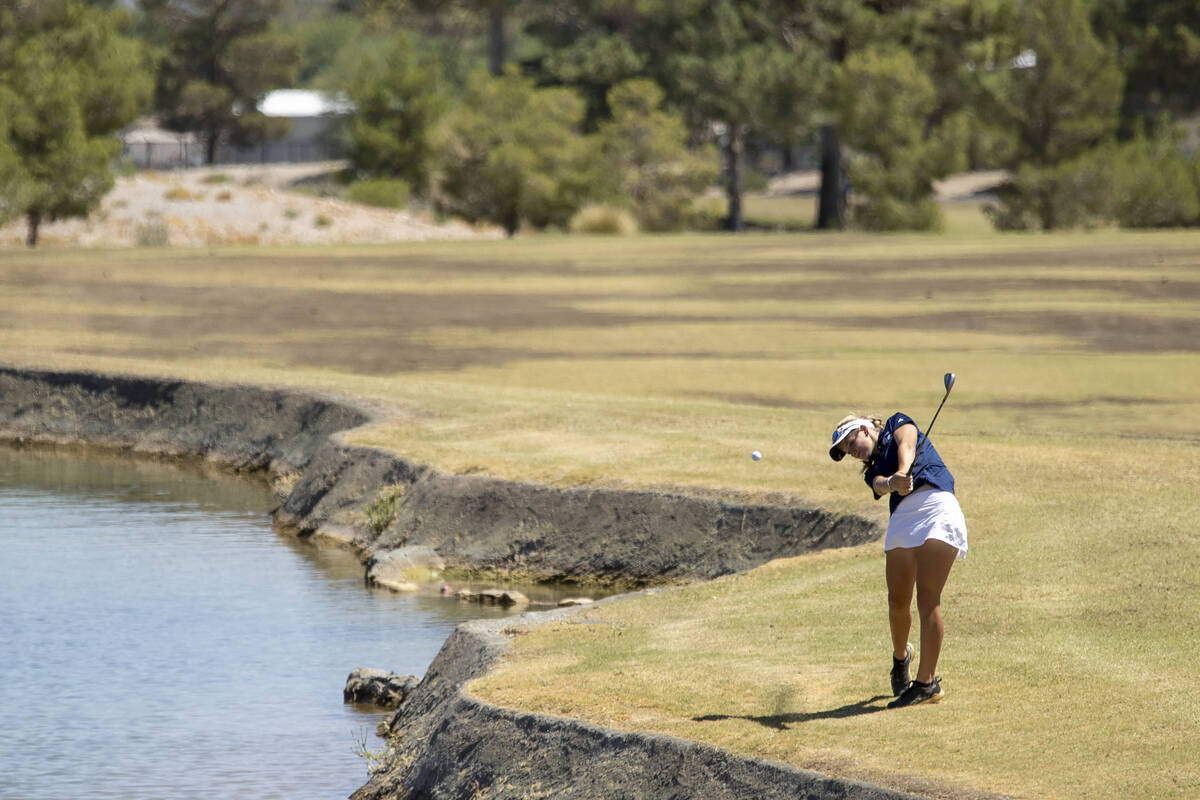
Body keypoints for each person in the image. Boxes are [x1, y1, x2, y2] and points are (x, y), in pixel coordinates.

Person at [828, 412, 967, 708]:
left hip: (937, 504)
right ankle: (900, 658)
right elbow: (878, 484)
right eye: (844, 450)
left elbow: (908, 441)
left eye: (849, 440)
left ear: (864, 429)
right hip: (904, 517)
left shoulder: (895, 422)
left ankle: (927, 683)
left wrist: (904, 471)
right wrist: (894, 482)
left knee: (928, 598)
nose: (850, 450)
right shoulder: (872, 470)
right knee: (897, 600)